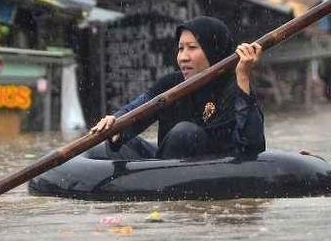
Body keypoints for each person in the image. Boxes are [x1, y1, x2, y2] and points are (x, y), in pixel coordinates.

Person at [89, 16, 265, 159]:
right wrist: (116, 122)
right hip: (167, 164)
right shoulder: (171, 83)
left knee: (185, 133)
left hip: (212, 169)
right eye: (181, 48)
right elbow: (138, 108)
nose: (183, 57)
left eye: (192, 48)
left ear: (213, 49)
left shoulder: (233, 85)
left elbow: (252, 145)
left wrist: (243, 76)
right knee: (120, 144)